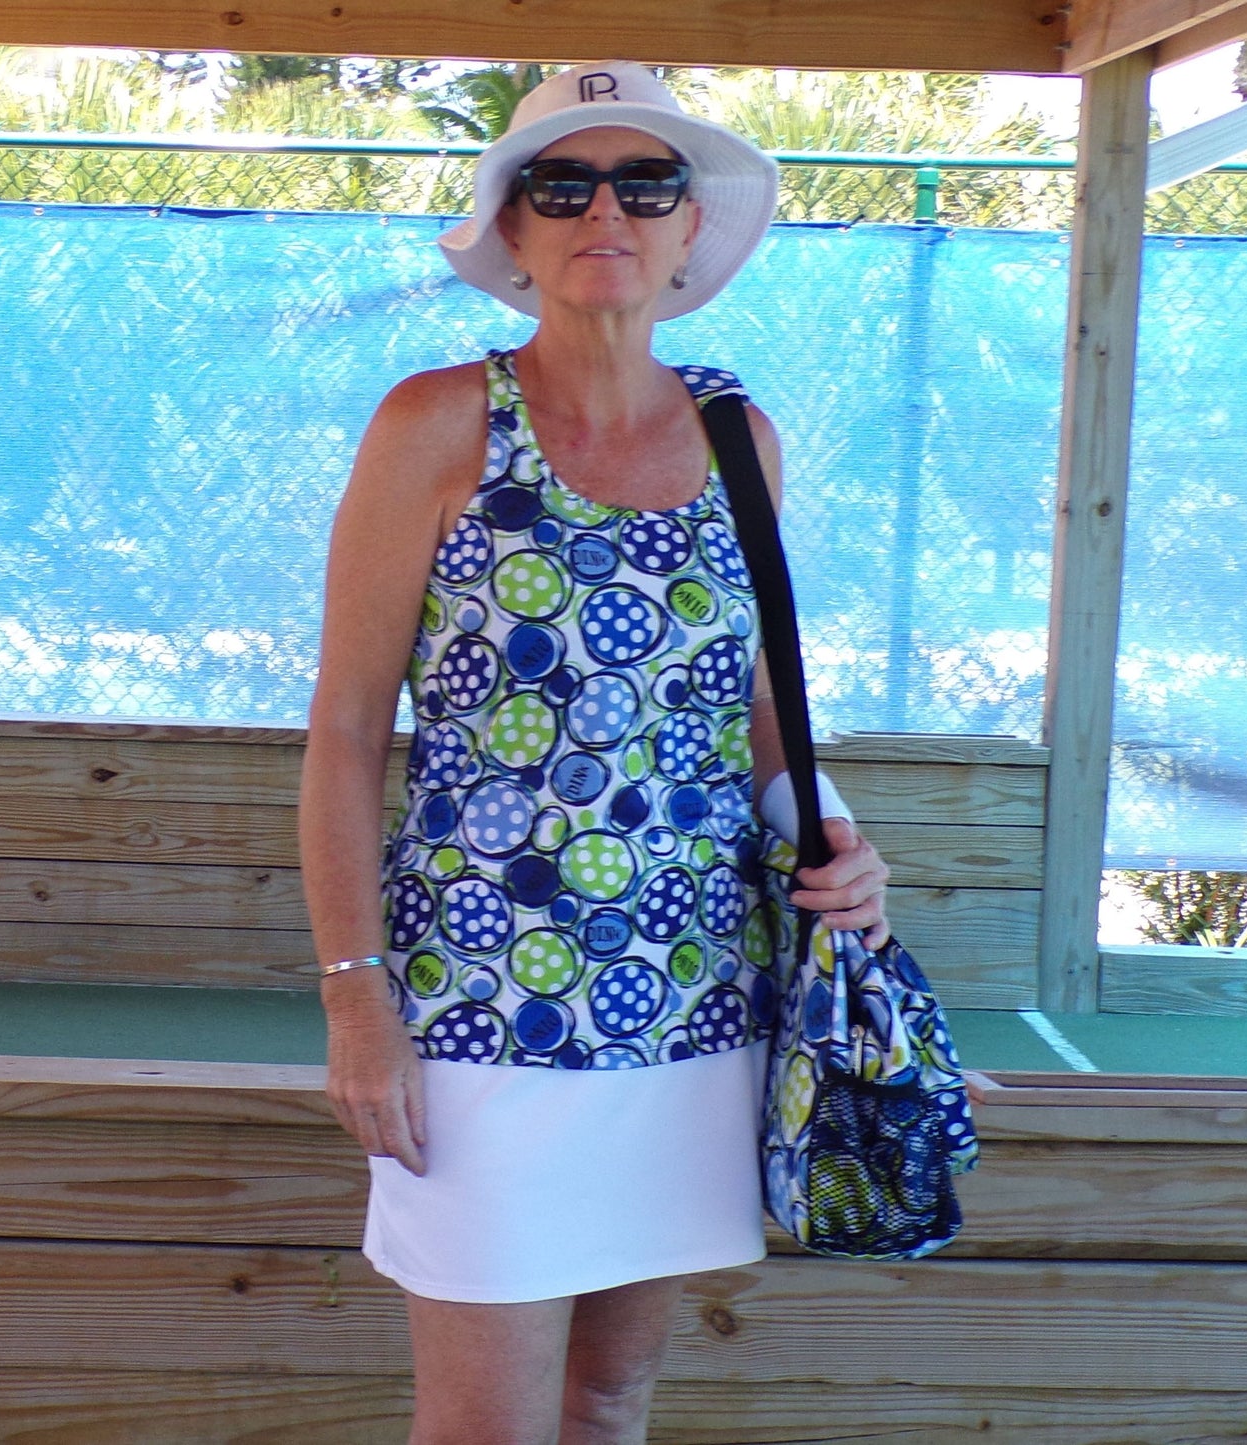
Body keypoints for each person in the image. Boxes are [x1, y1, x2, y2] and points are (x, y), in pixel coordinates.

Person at [299, 60, 891, 1445]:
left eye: (646, 180)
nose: (603, 210)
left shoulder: (743, 438)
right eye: (561, 183)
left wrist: (835, 838)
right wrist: (353, 999)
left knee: (610, 1396)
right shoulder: (434, 425)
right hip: (481, 1012)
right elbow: (341, 737)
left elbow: (754, 711)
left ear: (690, 230)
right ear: (511, 230)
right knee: (484, 1429)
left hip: (694, 998)